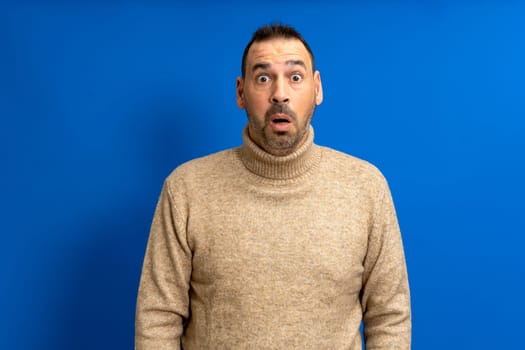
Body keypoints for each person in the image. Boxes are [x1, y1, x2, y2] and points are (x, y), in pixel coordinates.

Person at [135, 23, 411, 349]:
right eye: (263, 78)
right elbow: (158, 318)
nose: (280, 94)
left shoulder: (366, 187)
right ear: (241, 92)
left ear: (317, 88)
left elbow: (389, 315)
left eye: (295, 77)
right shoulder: (185, 189)